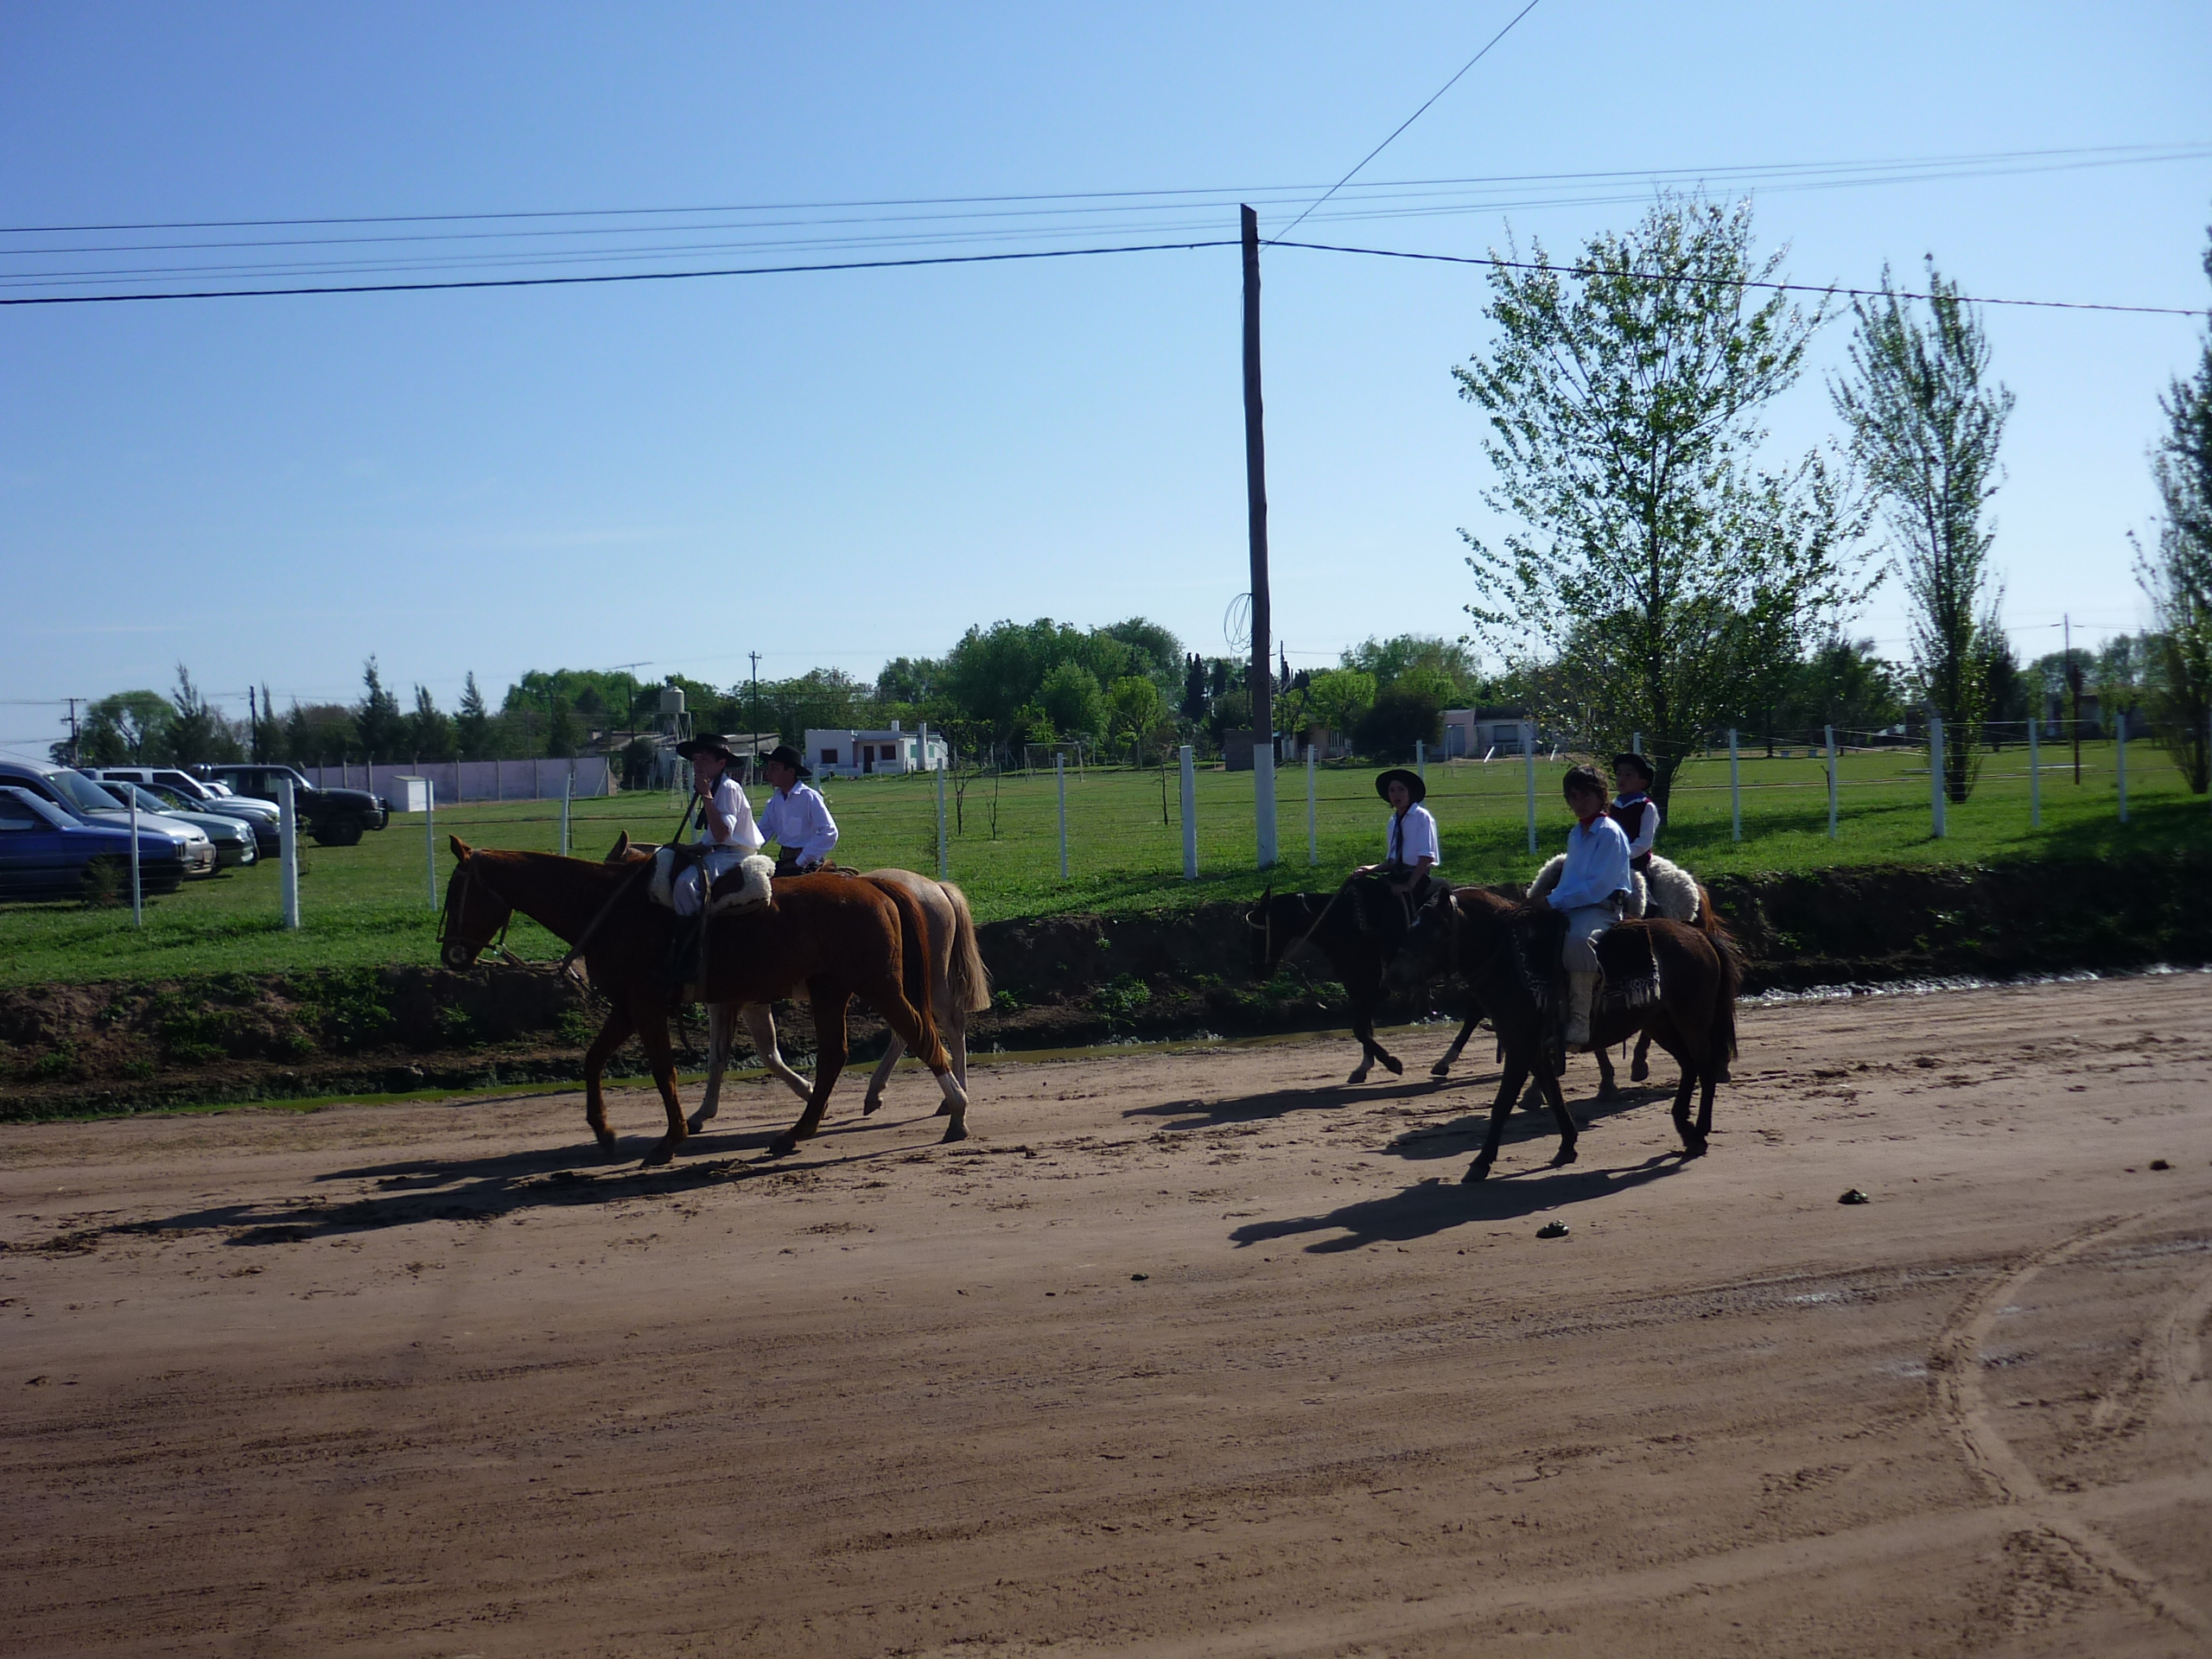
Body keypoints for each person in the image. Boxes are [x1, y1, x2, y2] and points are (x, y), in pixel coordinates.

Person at [1548, 763, 1633, 1047]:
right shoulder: (1576, 833)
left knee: (1578, 941)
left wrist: (1554, 902)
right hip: (1570, 905)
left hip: (1601, 909)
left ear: (1601, 796)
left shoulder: (1609, 833)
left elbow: (1598, 888)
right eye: (1573, 797)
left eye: (1586, 796)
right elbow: (1570, 880)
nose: (1579, 803)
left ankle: (1581, 1019)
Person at [671, 733, 762, 917]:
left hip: (735, 853)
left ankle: (695, 929)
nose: (697, 764)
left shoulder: (728, 787)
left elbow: (722, 835)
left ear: (721, 764)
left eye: (704, 759)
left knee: (684, 884)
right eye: (695, 759)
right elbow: (712, 839)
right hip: (720, 852)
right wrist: (688, 848)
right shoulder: (712, 785)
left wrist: (706, 796)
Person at [1354, 767, 1440, 946]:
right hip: (1397, 873)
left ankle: (1400, 948)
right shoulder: (1393, 822)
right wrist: (1370, 869)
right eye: (1392, 790)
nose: (1396, 795)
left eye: (1401, 789)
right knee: (1359, 887)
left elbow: (1426, 857)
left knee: (1394, 911)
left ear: (1410, 793)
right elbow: (1392, 861)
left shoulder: (1421, 817)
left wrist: (1409, 885)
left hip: (1416, 875)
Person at [757, 743, 839, 876]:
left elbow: (829, 832)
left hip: (808, 864)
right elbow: (761, 832)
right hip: (785, 861)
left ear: (791, 772)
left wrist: (801, 861)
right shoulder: (774, 802)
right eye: (769, 768)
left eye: (774, 768)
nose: (769, 773)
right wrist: (742, 850)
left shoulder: (809, 797)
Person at [1608, 752, 1661, 876]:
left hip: (1636, 863)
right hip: (1609, 861)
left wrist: (1624, 854)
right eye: (1619, 774)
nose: (1622, 779)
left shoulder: (1646, 807)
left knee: (1642, 888)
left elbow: (1645, 841)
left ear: (1642, 783)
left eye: (1628, 775)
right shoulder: (1611, 806)